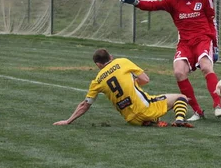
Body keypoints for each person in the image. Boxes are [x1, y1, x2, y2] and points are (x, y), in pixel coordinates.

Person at [120, 0, 221, 121]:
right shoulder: (173, 0)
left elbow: (212, 21)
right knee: (178, 72)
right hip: (185, 43)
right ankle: (197, 111)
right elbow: (154, 4)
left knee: (206, 67)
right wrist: (136, 2)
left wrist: (215, 46)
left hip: (203, 39)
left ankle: (217, 105)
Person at [54, 48, 193, 128]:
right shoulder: (122, 61)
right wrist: (132, 83)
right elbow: (145, 79)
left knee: (145, 108)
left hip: (131, 119)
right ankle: (179, 120)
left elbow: (85, 105)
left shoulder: (96, 81)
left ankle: (152, 122)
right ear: (111, 57)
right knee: (181, 98)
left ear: (98, 65)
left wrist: (68, 121)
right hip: (145, 108)